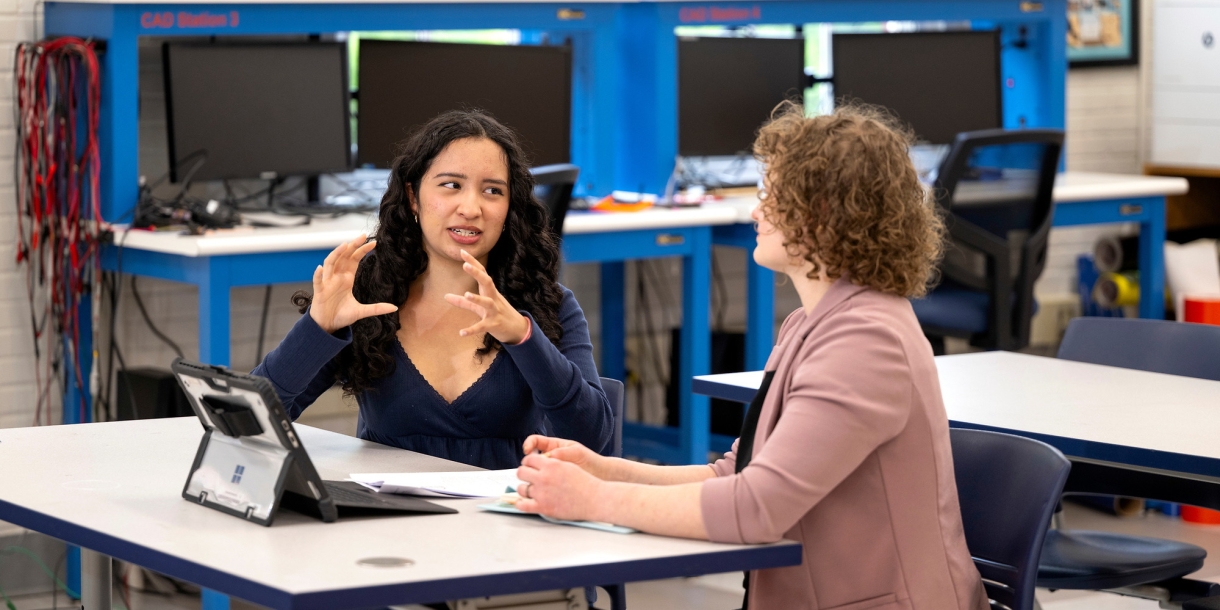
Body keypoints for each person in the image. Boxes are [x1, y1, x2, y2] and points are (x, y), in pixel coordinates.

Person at [511, 102, 989, 610]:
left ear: (824, 213)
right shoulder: (812, 323)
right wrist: (606, 471)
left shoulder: (866, 342)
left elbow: (754, 508)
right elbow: (737, 475)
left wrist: (594, 500)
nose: (757, 211)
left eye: (772, 196)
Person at [253, 110, 612, 470]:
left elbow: (592, 439)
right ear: (413, 197)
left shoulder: (550, 304)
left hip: (507, 519)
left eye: (492, 191)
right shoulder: (367, 298)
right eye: (451, 185)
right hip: (391, 520)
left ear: (509, 207)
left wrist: (523, 337)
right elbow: (251, 422)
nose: (471, 208)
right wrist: (317, 329)